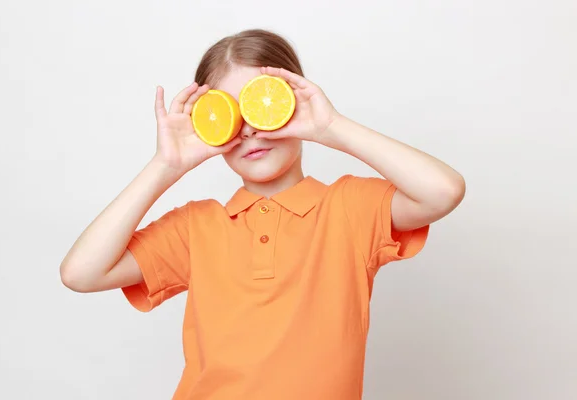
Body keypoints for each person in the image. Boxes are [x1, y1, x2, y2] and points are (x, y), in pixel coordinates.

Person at [60, 28, 465, 400]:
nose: (250, 131)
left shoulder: (349, 209)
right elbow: (81, 273)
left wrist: (331, 127)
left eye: (261, 106)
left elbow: (442, 191)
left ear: (294, 102)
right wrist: (165, 167)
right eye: (231, 115)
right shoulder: (195, 227)